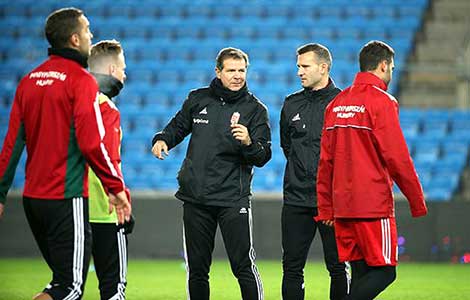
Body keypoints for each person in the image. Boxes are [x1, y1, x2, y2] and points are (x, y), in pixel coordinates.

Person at [0, 8, 131, 300]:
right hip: (67, 198)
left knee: (60, 284)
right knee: (71, 289)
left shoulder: (29, 81)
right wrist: (116, 187)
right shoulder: (81, 82)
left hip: (32, 199)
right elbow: (91, 144)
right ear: (74, 39)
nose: (90, 36)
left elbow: (12, 144)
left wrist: (0, 193)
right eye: (87, 31)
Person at [151, 47, 271, 300]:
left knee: (243, 266)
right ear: (218, 72)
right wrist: (162, 139)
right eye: (231, 70)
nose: (238, 76)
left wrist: (249, 142)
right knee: (197, 269)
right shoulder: (198, 99)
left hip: (232, 199)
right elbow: (177, 126)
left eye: (242, 70)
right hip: (196, 197)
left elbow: (263, 156)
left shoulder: (256, 110)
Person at [316, 40, 428, 300]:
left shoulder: (336, 104)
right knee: (385, 272)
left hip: (343, 207)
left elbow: (325, 162)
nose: (391, 73)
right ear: (383, 65)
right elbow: (397, 157)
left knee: (361, 273)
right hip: (373, 206)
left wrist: (326, 208)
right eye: (392, 68)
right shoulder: (382, 102)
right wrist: (417, 201)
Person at [280, 43, 348, 300]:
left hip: (333, 202)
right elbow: (288, 147)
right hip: (296, 200)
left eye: (304, 66)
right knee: (292, 268)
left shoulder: (344, 103)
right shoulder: (290, 104)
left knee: (338, 267)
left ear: (323, 67)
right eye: (298, 66)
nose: (299, 71)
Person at [87, 39, 134, 300]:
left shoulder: (72, 103)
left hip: (72, 207)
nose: (125, 74)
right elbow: (108, 159)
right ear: (113, 70)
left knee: (65, 287)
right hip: (105, 210)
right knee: (113, 289)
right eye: (123, 68)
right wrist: (121, 195)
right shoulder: (104, 107)